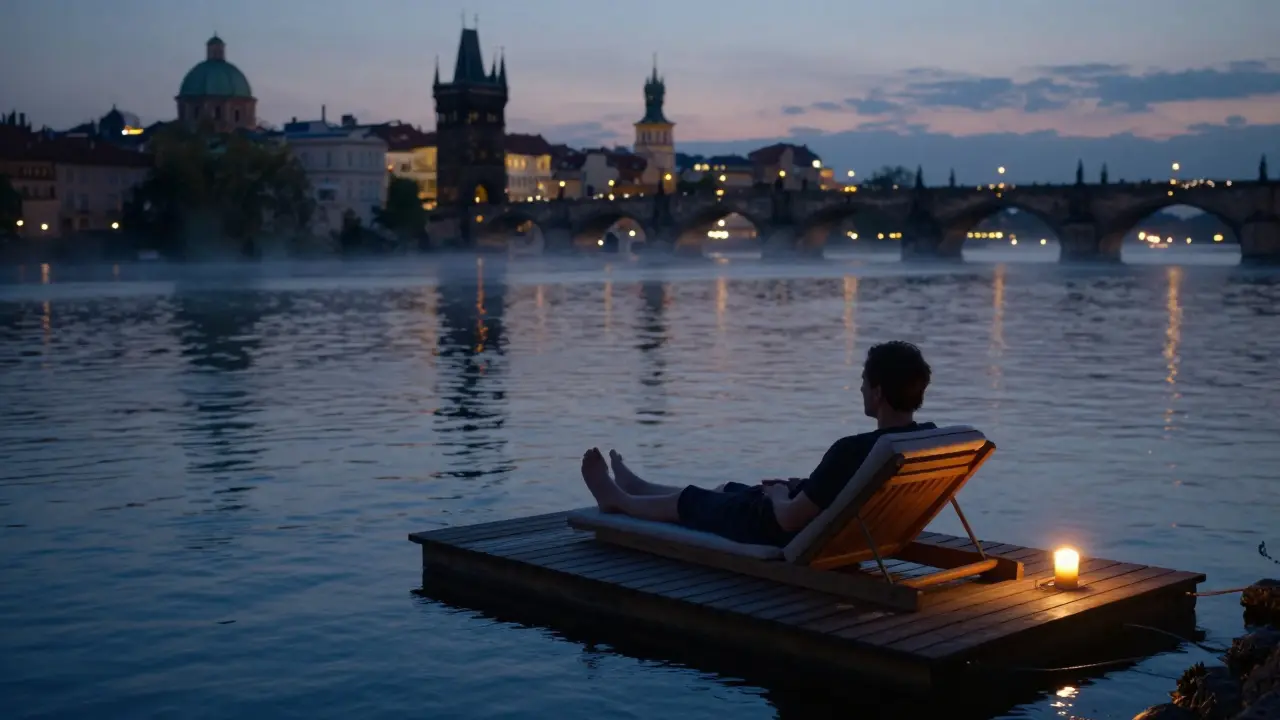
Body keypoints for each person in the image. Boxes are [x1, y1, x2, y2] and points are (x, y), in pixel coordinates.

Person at [579, 340, 935, 546]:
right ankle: (640, 487)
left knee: (688, 502)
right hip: (838, 526)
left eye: (863, 381)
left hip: (776, 527)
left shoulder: (851, 450)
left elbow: (790, 519)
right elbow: (846, 492)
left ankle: (619, 501)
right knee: (724, 491)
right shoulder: (926, 439)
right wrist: (801, 487)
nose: (860, 388)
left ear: (878, 392)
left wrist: (780, 495)